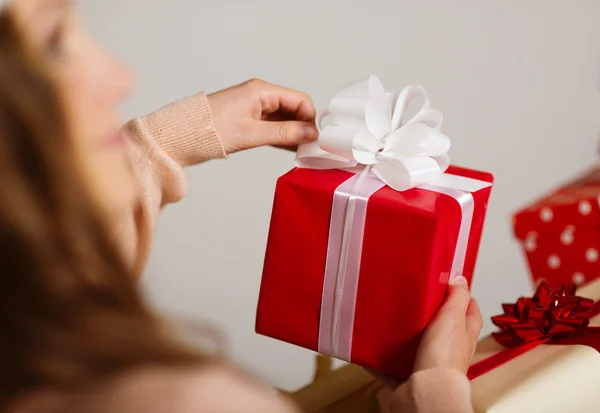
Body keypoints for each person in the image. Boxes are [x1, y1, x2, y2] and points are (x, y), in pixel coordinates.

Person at [0, 0, 482, 412]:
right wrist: (436, 395)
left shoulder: (26, 335)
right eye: (54, 42)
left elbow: (62, 256)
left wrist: (164, 141)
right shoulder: (190, 401)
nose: (124, 78)